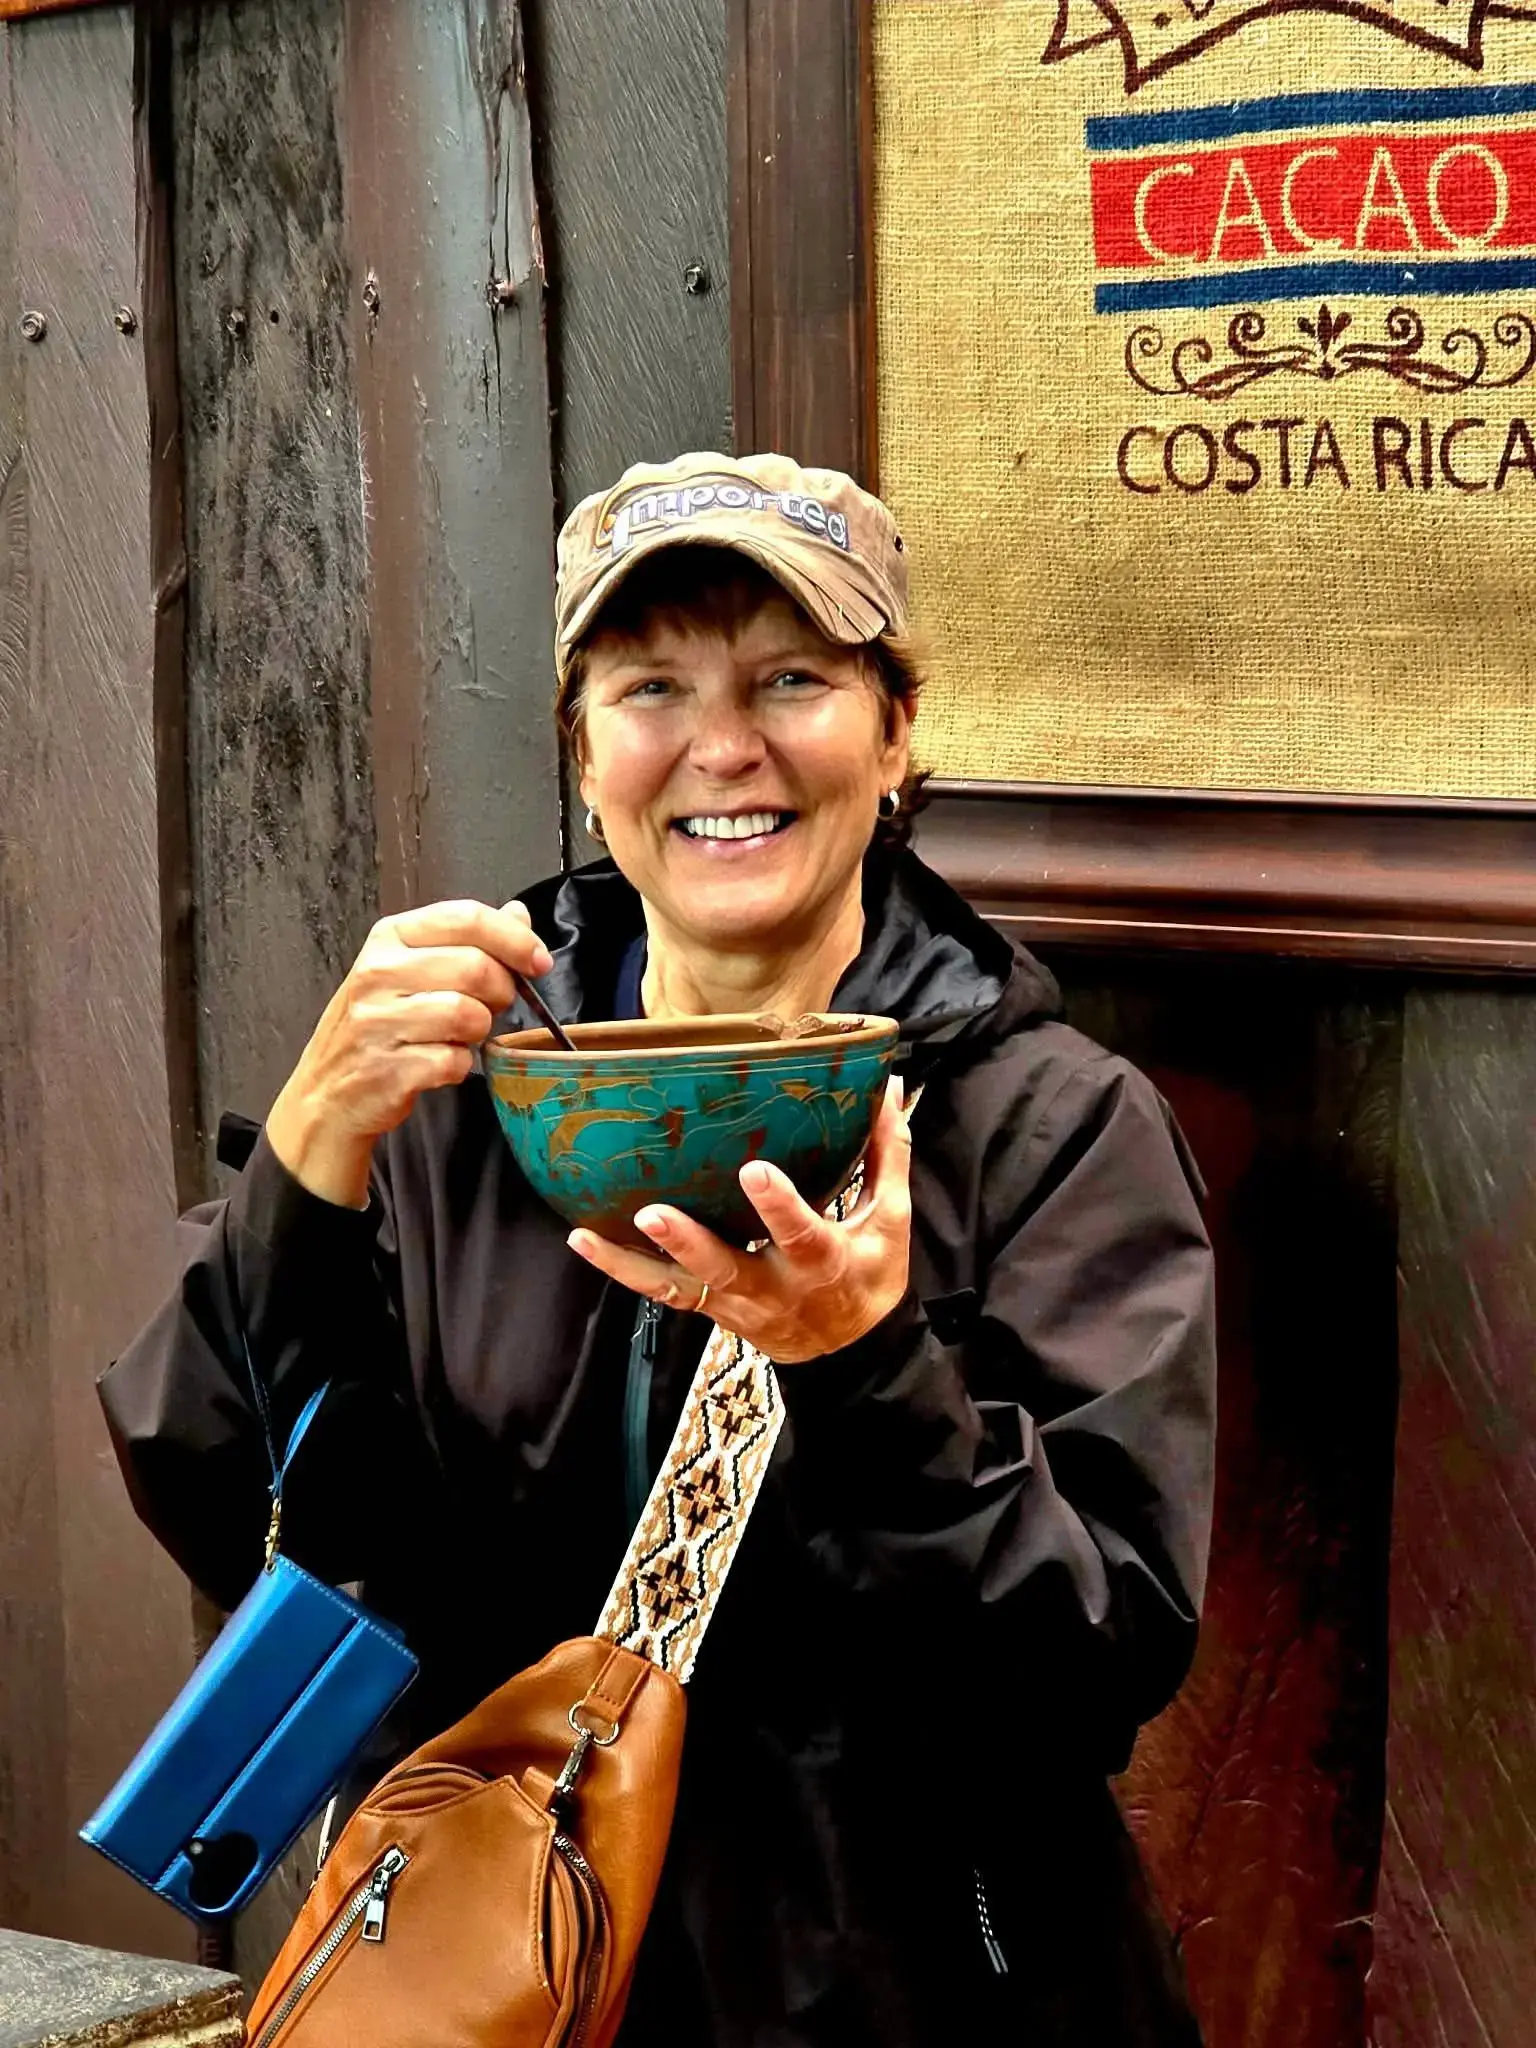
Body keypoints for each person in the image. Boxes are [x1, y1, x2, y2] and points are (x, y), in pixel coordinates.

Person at [102, 451, 1216, 2046]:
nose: (723, 746)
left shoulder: (1049, 1126)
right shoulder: (460, 1086)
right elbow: (236, 1500)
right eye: (651, 686)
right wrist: (308, 1158)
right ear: (582, 748)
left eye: (793, 678)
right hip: (513, 1980)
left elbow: (1093, 1654)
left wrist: (866, 1371)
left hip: (917, 1999)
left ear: (898, 731)